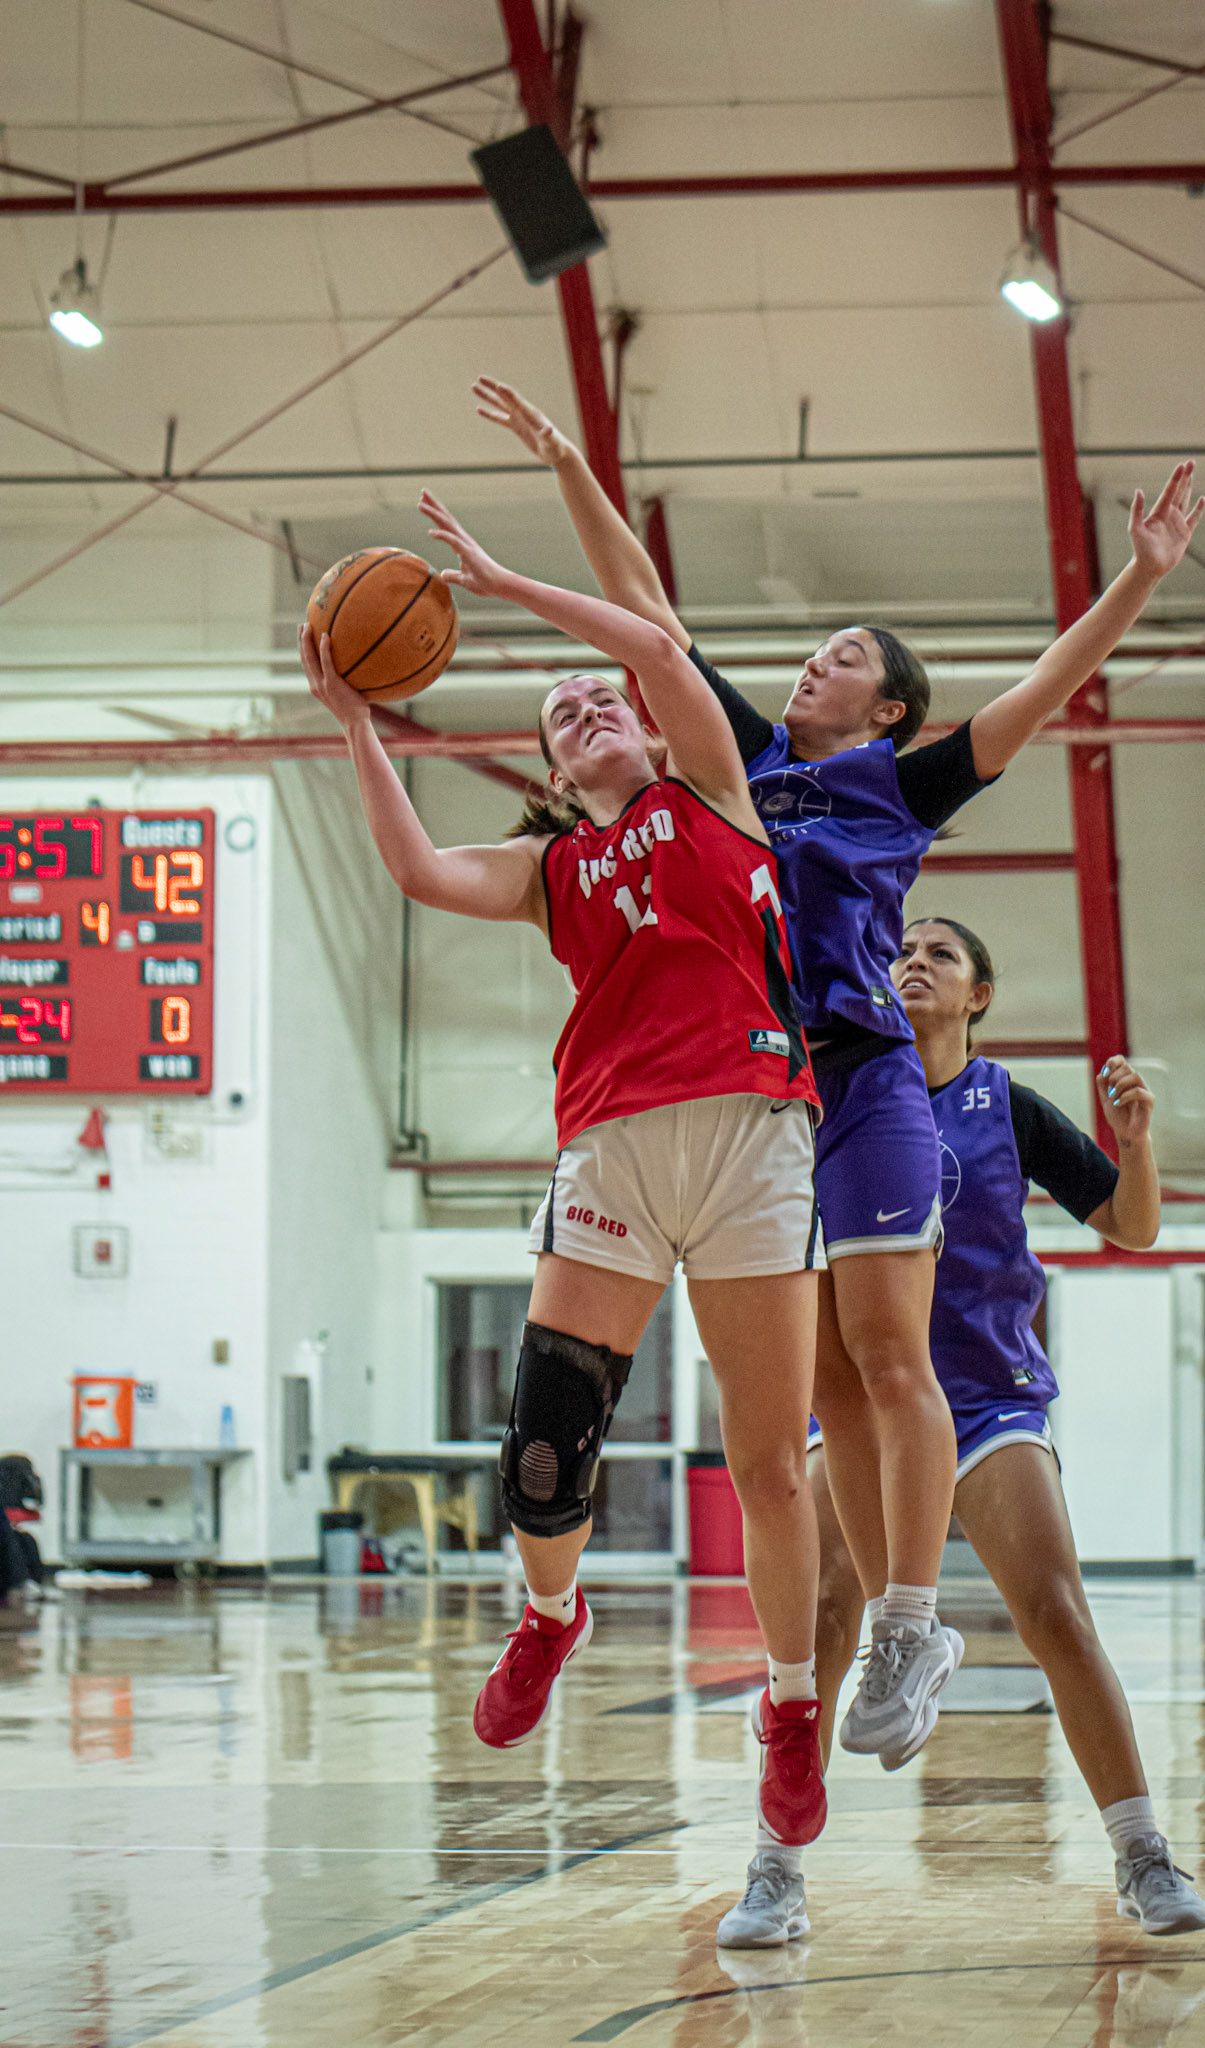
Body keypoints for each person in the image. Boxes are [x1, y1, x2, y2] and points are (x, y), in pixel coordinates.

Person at [471, 376, 1205, 1773]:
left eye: (847, 654)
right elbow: (643, 608)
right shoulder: (741, 759)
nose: (817, 662)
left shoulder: (899, 784)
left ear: (891, 708)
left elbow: (1042, 693)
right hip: (765, 1101)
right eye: (816, 649)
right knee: (827, 1391)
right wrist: (568, 461)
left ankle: (911, 1623)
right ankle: (867, 1646)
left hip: (864, 1076)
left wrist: (1140, 576)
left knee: (885, 1351)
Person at [300, 499, 829, 1849]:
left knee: (769, 1466)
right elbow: (419, 867)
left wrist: (503, 582)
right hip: (611, 1147)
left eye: (602, 700)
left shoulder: (712, 790)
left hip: (755, 1135)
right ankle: (549, 1613)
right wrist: (356, 716)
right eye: (561, 713)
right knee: (543, 1451)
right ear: (549, 769)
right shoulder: (554, 867)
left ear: (648, 731)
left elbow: (653, 642)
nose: (588, 707)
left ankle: (789, 1705)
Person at [717, 917, 1205, 1946]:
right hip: (862, 1410)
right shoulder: (832, 1099)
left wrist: (1136, 1144)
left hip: (985, 1399)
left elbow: (1131, 1227)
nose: (914, 960)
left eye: (941, 953)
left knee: (1056, 1612)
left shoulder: (1005, 1104)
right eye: (904, 949)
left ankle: (1141, 1852)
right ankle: (775, 1869)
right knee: (818, 1619)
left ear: (979, 994)